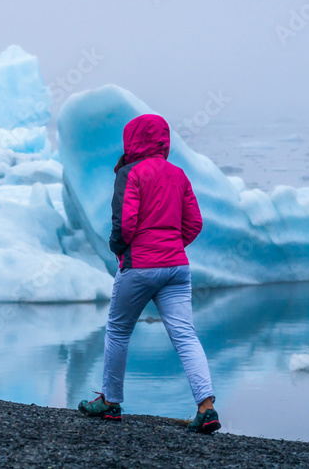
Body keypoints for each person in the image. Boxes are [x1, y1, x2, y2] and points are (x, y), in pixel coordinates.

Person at [77, 113, 220, 434]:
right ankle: (206, 408)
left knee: (118, 331)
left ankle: (110, 402)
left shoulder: (129, 173)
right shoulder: (178, 174)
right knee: (185, 335)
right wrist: (170, 244)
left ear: (133, 140)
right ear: (163, 140)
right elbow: (194, 223)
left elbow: (124, 223)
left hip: (139, 265)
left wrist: (119, 248)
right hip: (177, 267)